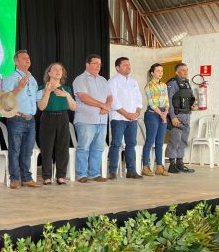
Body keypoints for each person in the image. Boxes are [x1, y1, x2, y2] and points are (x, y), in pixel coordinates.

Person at [2, 50, 39, 189]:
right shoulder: (11, 78)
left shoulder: (32, 78)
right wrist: (20, 87)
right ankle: (14, 178)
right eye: (24, 58)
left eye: (28, 58)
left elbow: (35, 97)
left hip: (31, 119)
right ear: (16, 62)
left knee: (27, 151)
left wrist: (47, 90)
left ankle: (26, 178)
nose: (28, 60)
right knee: (15, 150)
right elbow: (5, 99)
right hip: (17, 118)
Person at [72, 54, 111, 183]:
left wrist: (107, 106)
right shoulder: (80, 79)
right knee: (84, 148)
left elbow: (110, 96)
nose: (98, 66)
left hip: (102, 120)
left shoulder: (103, 80)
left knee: (98, 148)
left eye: (99, 64)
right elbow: (84, 97)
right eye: (95, 63)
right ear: (87, 64)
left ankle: (94, 173)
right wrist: (102, 105)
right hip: (86, 120)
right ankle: (81, 174)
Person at [37, 62, 76, 185]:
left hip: (63, 118)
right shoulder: (42, 88)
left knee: (62, 148)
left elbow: (73, 107)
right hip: (47, 118)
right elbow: (41, 107)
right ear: (49, 73)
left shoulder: (67, 89)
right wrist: (48, 92)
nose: (58, 71)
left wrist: (67, 95)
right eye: (55, 69)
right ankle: (47, 177)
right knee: (47, 148)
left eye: (60, 69)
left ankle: (61, 176)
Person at [107, 57, 143, 179]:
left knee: (131, 144)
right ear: (117, 68)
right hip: (118, 119)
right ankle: (113, 171)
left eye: (129, 64)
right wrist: (127, 114)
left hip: (132, 119)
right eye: (125, 65)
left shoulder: (133, 81)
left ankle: (131, 171)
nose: (128, 67)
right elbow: (113, 101)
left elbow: (138, 98)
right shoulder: (112, 81)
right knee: (116, 144)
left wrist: (137, 112)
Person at [166, 62, 197, 174]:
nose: (186, 72)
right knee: (175, 140)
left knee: (183, 140)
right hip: (177, 116)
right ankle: (172, 164)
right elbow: (168, 101)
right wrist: (173, 117)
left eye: (187, 70)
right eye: (183, 70)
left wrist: (193, 106)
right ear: (177, 72)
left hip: (187, 115)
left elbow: (191, 99)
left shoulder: (187, 83)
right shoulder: (172, 83)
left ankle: (180, 163)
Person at [142, 63, 170, 176]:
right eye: (158, 71)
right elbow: (151, 103)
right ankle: (145, 167)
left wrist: (166, 112)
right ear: (152, 73)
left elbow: (167, 101)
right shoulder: (148, 86)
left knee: (160, 142)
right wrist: (162, 115)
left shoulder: (164, 85)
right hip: (152, 114)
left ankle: (159, 167)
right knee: (150, 141)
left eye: (161, 71)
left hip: (163, 113)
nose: (160, 73)